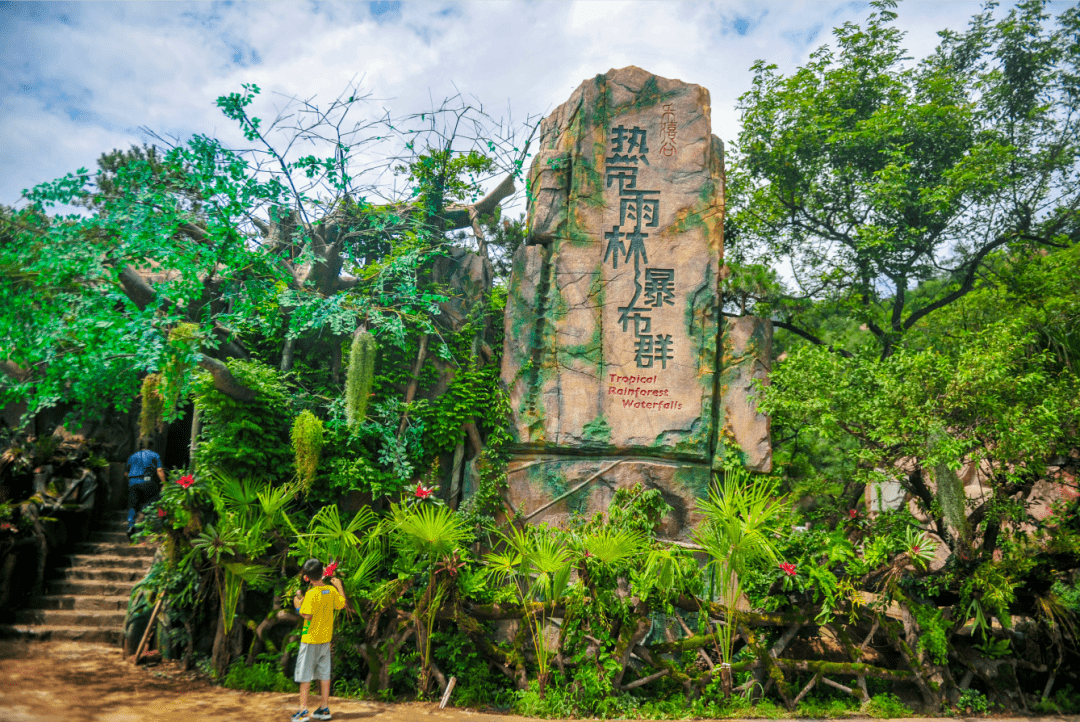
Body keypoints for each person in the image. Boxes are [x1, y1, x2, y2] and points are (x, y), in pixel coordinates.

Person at [291, 558, 346, 722]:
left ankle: (303, 711)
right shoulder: (330, 590)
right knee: (324, 675)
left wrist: (297, 605)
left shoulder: (311, 594)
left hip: (310, 640)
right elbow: (341, 604)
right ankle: (324, 708)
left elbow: (307, 615)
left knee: (305, 676)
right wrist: (339, 586)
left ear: (306, 577)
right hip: (325, 640)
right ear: (323, 572)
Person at [126, 438, 165, 540]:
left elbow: (126, 473)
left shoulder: (132, 456)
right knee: (155, 497)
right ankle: (144, 513)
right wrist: (164, 483)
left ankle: (130, 526)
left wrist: (131, 482)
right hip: (147, 481)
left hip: (133, 482)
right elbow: (159, 470)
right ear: (151, 446)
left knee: (132, 505)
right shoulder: (155, 455)